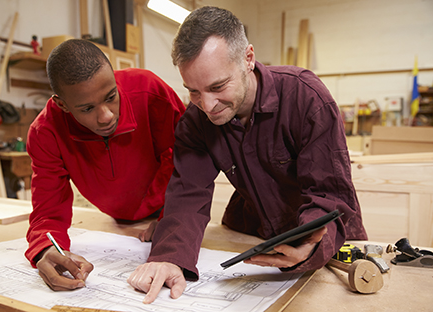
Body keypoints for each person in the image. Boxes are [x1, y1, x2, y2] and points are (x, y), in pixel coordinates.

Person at [127, 6, 368, 303]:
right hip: (256, 232)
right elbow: (187, 194)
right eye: (194, 91)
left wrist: (312, 243)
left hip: (331, 245)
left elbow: (330, 195)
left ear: (248, 59)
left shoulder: (306, 97)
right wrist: (169, 257)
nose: (208, 105)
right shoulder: (195, 121)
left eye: (218, 86)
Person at [25, 39, 185, 291]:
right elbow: (47, 212)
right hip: (117, 222)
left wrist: (172, 216)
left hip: (168, 207)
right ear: (62, 104)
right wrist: (47, 249)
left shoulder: (150, 92)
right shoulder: (45, 133)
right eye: (87, 108)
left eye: (111, 97)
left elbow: (188, 162)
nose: (106, 116)